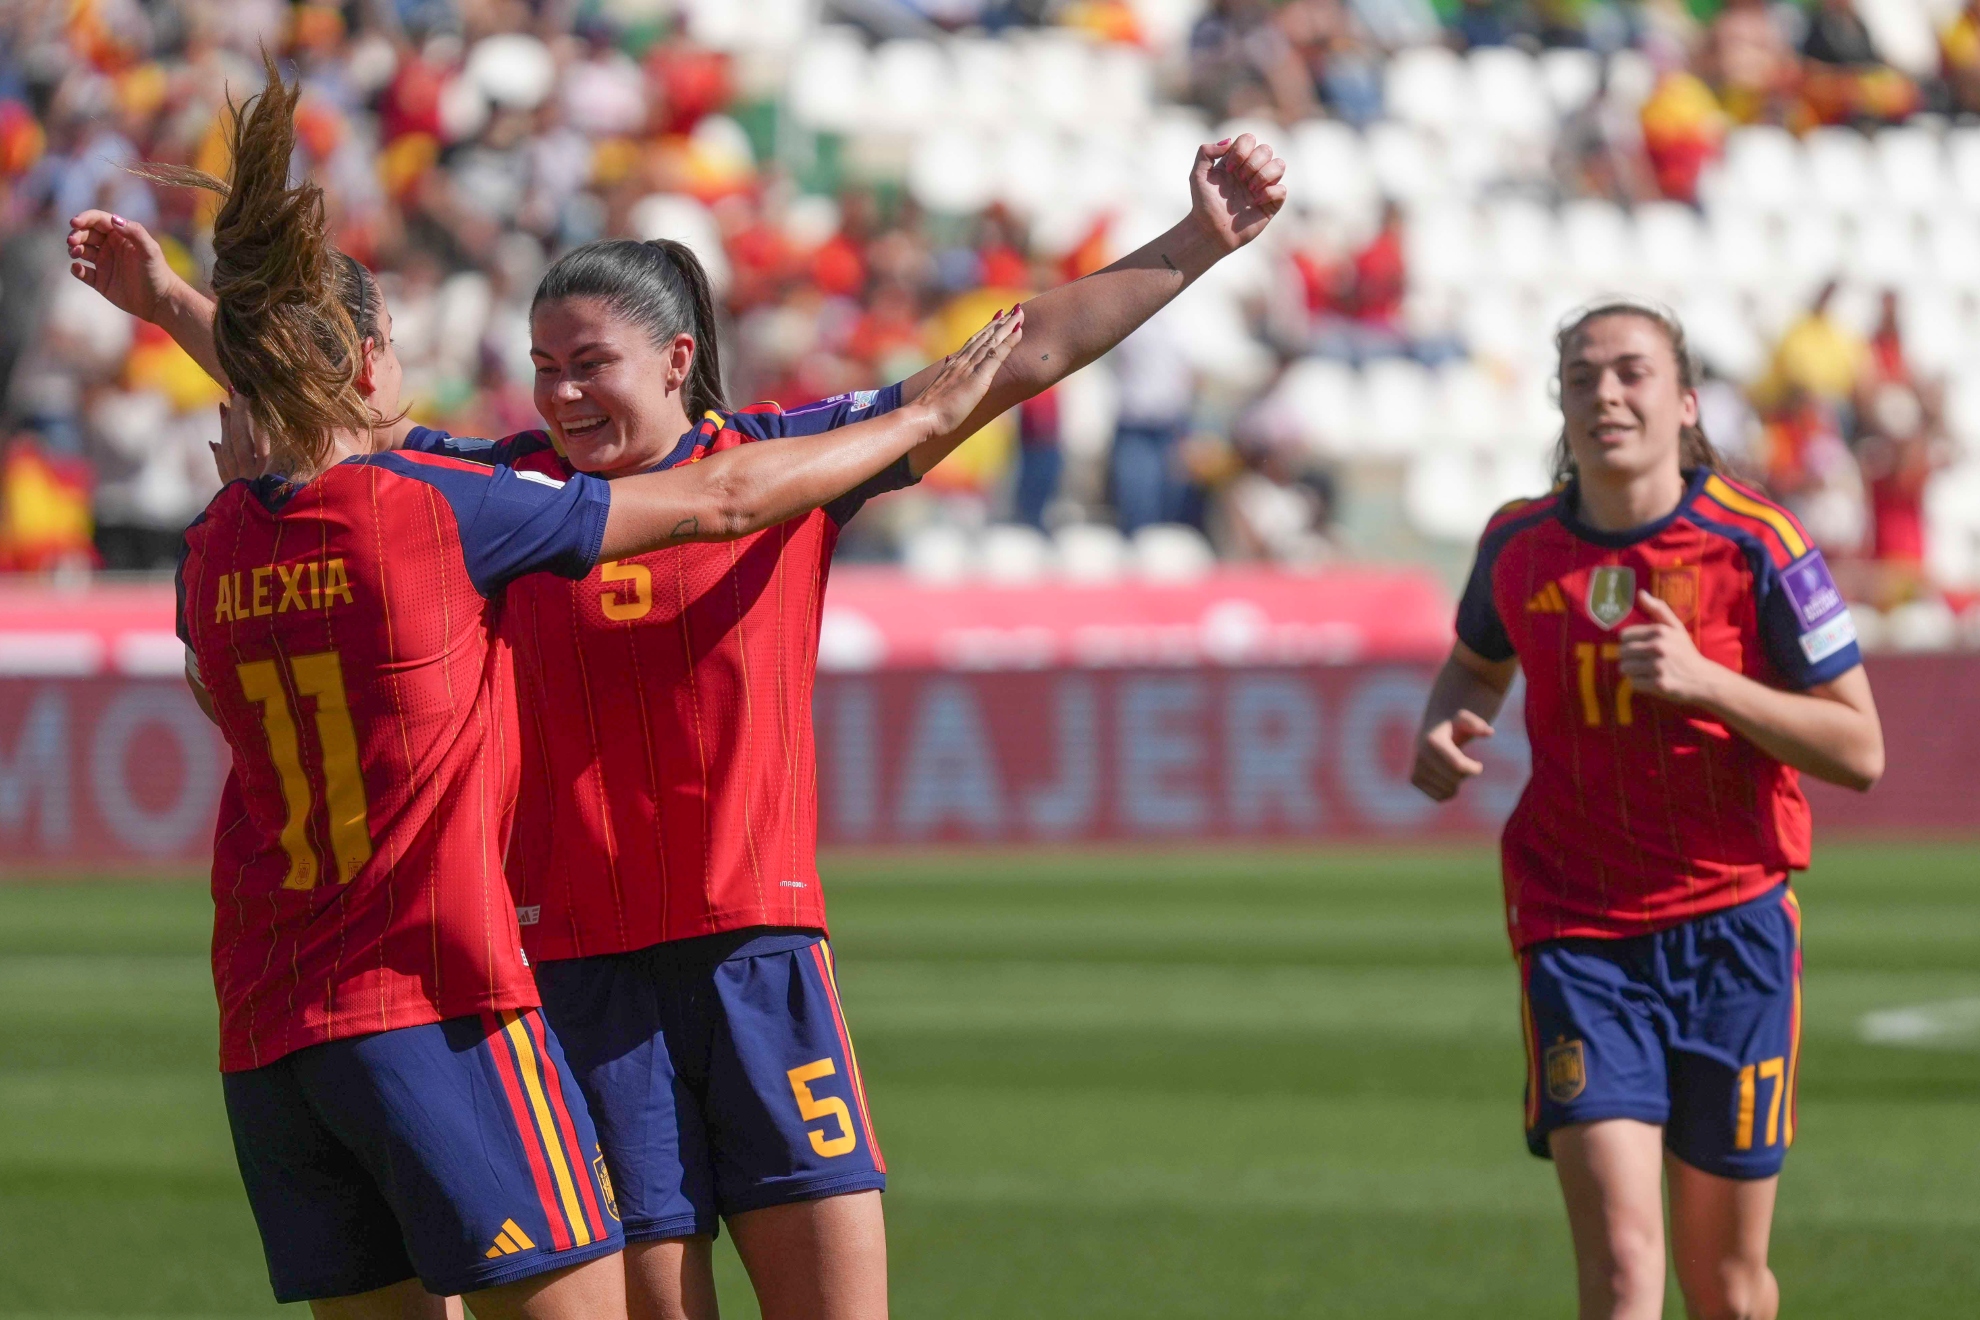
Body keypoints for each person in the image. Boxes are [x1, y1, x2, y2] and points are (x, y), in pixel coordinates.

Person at [84, 108, 1283, 1320]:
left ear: (675, 357)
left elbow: (1011, 357)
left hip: (758, 959)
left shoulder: (794, 462)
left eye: (588, 361)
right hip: (576, 985)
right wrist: (176, 304)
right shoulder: (498, 497)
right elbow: (334, 418)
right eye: (543, 365)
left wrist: (1196, 241)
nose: (558, 391)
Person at [1409, 301, 1883, 1320]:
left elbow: (1861, 749)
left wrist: (1711, 684)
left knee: (1725, 1286)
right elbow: (1472, 668)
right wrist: (1445, 726)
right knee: (1625, 1274)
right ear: (1561, 403)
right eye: (1582, 377)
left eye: (1632, 372)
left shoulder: (1758, 543)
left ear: (1685, 401)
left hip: (1734, 933)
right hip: (1579, 935)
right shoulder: (1518, 544)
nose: (1606, 395)